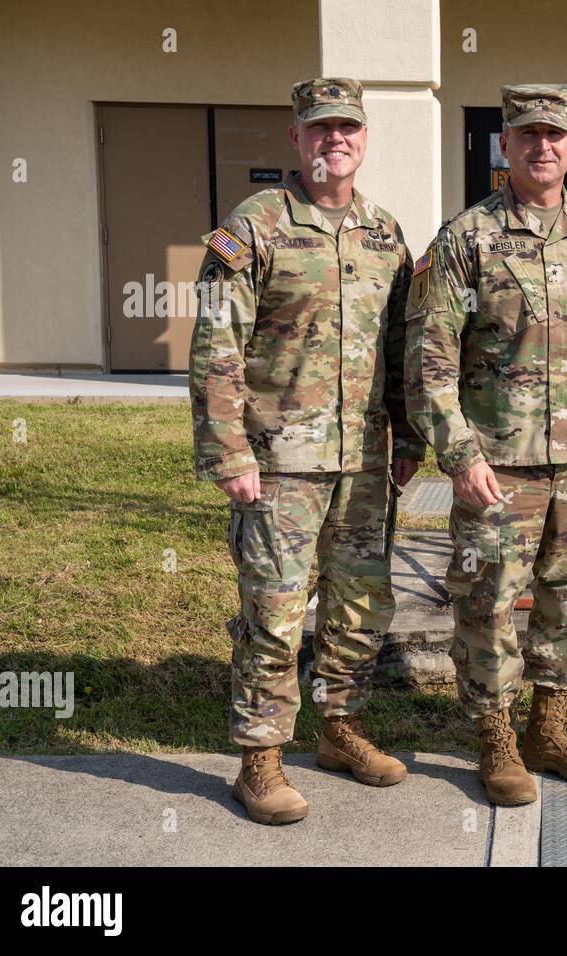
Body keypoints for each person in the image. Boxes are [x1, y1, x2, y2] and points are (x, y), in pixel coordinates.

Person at [405, 84, 567, 806]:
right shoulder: (465, 239)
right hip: (497, 467)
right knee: (486, 604)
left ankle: (549, 728)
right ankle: (496, 741)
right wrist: (459, 455)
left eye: (555, 135)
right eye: (526, 135)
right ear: (505, 146)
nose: (542, 147)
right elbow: (431, 357)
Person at [190, 77, 423, 825]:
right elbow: (215, 346)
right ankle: (260, 759)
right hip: (279, 463)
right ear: (296, 138)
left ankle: (340, 730)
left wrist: (410, 438)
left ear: (363, 139)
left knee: (359, 606)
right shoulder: (255, 226)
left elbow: (403, 351)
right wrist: (230, 453)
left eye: (347, 129)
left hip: (366, 463)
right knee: (276, 610)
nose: (334, 141)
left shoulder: (386, 234)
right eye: (320, 129)